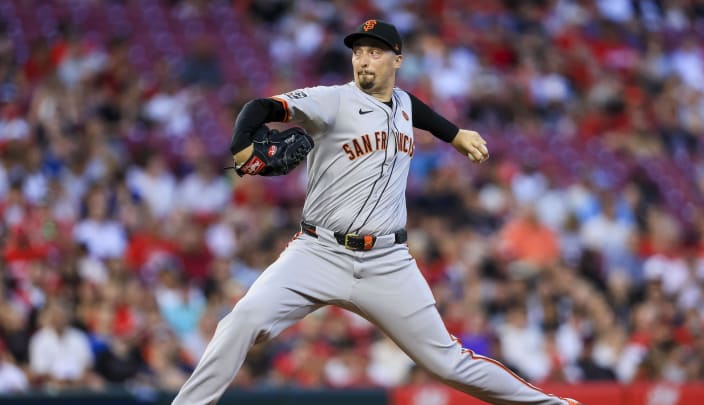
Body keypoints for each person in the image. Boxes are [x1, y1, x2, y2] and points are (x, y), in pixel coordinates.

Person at [172, 20, 583, 405]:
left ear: (397, 60)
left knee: (448, 362)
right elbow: (260, 107)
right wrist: (244, 148)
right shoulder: (332, 100)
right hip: (319, 252)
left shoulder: (402, 103)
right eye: (359, 52)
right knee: (241, 322)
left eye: (375, 52)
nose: (364, 59)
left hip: (387, 261)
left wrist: (454, 134)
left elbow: (414, 109)